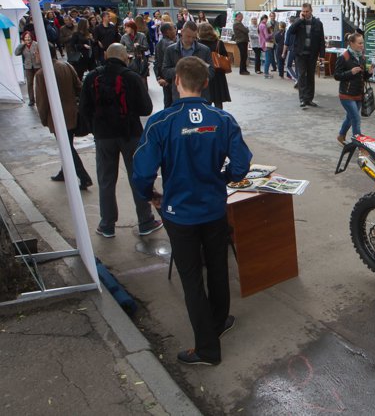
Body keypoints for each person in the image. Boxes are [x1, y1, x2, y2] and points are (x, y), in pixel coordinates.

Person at [132, 56, 252, 366]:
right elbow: (241, 165)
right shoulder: (222, 119)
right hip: (213, 208)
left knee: (192, 278)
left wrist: (150, 196)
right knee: (217, 267)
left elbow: (142, 173)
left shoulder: (162, 122)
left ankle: (207, 349)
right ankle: (218, 322)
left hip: (179, 212)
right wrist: (222, 178)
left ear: (177, 82)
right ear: (206, 83)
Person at [78, 43, 162, 238]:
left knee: (106, 180)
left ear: (106, 55)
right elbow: (146, 109)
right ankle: (145, 221)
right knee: (137, 177)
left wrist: (94, 128)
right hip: (130, 134)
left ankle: (106, 225)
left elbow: (83, 108)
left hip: (103, 136)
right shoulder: (131, 77)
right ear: (125, 58)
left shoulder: (92, 77)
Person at [35, 49, 93, 189]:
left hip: (57, 116)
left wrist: (43, 118)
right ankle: (64, 172)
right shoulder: (66, 66)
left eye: (37, 52)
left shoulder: (42, 74)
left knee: (67, 148)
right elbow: (79, 87)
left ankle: (84, 177)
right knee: (67, 145)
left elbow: (42, 101)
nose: (35, 55)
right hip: (72, 113)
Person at [162, 21, 214, 104]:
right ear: (182, 32)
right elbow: (165, 71)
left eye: (194, 37)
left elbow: (211, 71)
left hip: (201, 95)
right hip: (179, 96)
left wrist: (199, 72)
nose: (191, 40)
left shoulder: (205, 50)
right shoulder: (170, 50)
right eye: (188, 36)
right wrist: (182, 70)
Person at [334, 32, 369, 145]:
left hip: (358, 93)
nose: (362, 45)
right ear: (351, 43)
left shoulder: (361, 57)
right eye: (359, 43)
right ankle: (359, 145)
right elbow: (337, 75)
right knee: (356, 118)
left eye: (362, 43)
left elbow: (363, 76)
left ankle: (341, 136)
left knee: (350, 117)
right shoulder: (343, 57)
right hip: (346, 94)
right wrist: (351, 72)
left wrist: (369, 72)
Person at [288, 3, 326, 108]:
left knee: (310, 76)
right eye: (303, 11)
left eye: (307, 11)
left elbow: (321, 40)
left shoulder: (318, 23)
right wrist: (300, 20)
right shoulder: (298, 22)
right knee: (301, 75)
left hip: (312, 54)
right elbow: (291, 31)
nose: (305, 13)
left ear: (311, 11)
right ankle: (302, 99)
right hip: (300, 54)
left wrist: (322, 55)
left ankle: (309, 99)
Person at [198, 23, 232, 109]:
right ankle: (218, 115)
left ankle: (208, 115)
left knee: (205, 100)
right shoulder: (219, 43)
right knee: (218, 101)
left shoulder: (198, 44)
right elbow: (225, 56)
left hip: (204, 73)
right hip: (218, 74)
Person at [14, 31, 42, 106]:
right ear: (23, 38)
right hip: (28, 67)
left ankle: (40, 98)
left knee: (39, 83)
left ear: (31, 37)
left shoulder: (36, 44)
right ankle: (31, 100)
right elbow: (16, 53)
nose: (27, 39)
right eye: (26, 37)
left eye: (29, 37)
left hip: (37, 66)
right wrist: (22, 44)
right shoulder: (23, 46)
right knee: (29, 83)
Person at [155, 22, 177, 108]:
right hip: (171, 79)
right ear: (168, 31)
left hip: (164, 78)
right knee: (174, 103)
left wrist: (159, 77)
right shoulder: (172, 45)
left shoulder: (158, 44)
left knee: (167, 102)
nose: (175, 30)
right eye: (173, 29)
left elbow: (157, 62)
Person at [282, 16, 298, 84]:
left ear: (290, 21)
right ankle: (299, 79)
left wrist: (283, 53)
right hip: (299, 50)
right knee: (297, 66)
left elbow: (286, 42)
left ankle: (296, 79)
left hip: (291, 49)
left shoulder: (289, 29)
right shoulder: (299, 29)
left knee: (288, 65)